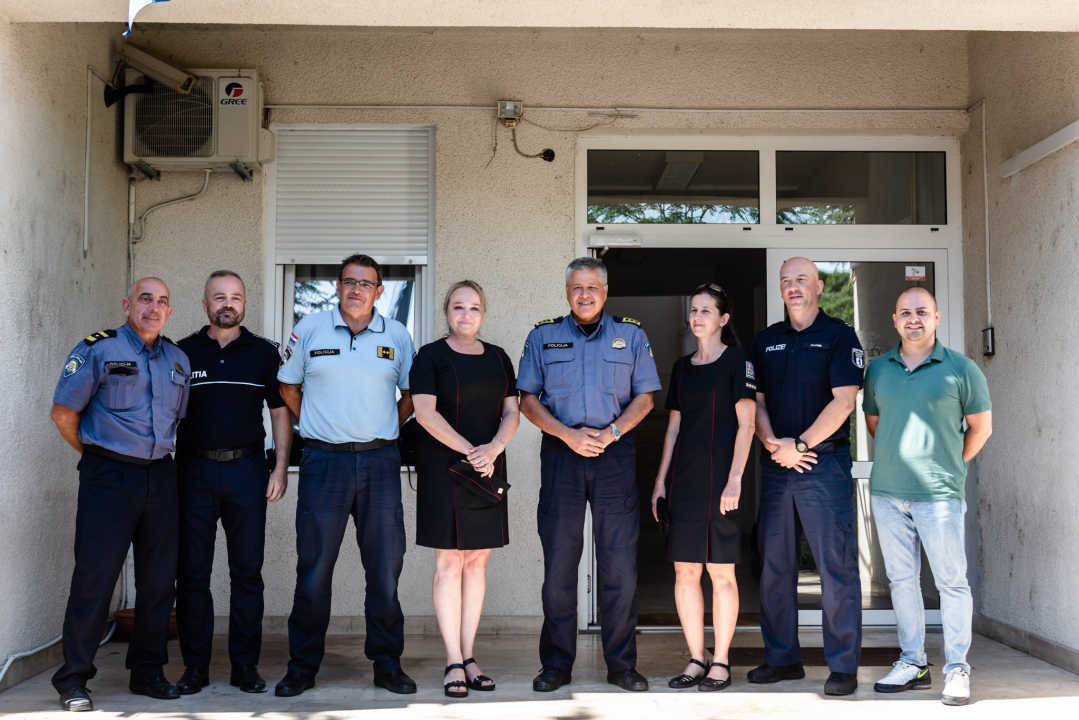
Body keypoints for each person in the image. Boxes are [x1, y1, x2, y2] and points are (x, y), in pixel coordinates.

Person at [274, 254, 417, 697]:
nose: (357, 289)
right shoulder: (310, 327)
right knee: (314, 569)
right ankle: (302, 666)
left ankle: (388, 663)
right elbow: (287, 387)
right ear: (338, 286)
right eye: (350, 282)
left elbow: (412, 394)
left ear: (379, 291)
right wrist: (316, 424)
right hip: (323, 463)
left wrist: (384, 427)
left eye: (367, 283)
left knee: (384, 569)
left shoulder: (396, 334)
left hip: (379, 463)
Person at [518, 257, 662, 693]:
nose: (585, 295)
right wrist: (568, 435)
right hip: (562, 457)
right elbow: (527, 399)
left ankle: (622, 665)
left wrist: (612, 431)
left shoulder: (631, 335)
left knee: (619, 564)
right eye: (577, 288)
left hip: (614, 456)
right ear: (567, 293)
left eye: (593, 287)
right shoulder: (543, 336)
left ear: (605, 291)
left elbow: (646, 398)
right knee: (560, 565)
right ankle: (556, 665)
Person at [49, 277, 191, 712]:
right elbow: (63, 412)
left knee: (158, 582)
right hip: (109, 477)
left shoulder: (178, 359)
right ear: (127, 304)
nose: (153, 307)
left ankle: (147, 672)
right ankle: (73, 678)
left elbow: (175, 422)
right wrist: (97, 455)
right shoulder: (98, 348)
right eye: (145, 299)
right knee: (95, 579)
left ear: (170, 311)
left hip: (161, 479)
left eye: (162, 301)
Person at [864, 287, 991, 706]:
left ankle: (957, 669)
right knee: (902, 583)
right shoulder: (878, 369)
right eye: (905, 312)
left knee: (951, 583)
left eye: (922, 311)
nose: (913, 318)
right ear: (895, 320)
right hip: (887, 493)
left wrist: (950, 466)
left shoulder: (962, 368)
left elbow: (980, 428)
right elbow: (875, 422)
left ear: (936, 317)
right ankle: (913, 662)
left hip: (939, 495)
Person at [747, 257, 865, 696]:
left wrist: (800, 445)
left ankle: (843, 666)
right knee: (774, 568)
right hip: (777, 468)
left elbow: (843, 402)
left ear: (817, 286)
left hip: (824, 466)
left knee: (835, 568)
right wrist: (776, 445)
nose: (793, 287)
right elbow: (755, 403)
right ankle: (782, 660)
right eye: (786, 282)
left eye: (801, 280)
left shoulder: (838, 335)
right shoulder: (765, 341)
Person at [173, 271, 293, 695]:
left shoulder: (263, 353)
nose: (228, 304)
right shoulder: (181, 352)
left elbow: (280, 412)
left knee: (247, 573)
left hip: (247, 473)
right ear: (205, 303)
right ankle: (195, 667)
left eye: (236, 297)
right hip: (193, 472)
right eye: (219, 297)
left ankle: (245, 665)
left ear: (245, 304)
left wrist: (279, 468)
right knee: (192, 574)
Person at [410, 280, 521, 698]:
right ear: (446, 312)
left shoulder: (498, 357)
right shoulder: (430, 356)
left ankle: (470, 657)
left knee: (477, 563)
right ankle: (453, 661)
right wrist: (471, 450)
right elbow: (424, 413)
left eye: (474, 308)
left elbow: (512, 410)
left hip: (489, 467)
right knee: (448, 565)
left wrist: (493, 447)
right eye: (458, 307)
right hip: (446, 469)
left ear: (483, 313)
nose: (466, 315)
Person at [651, 283, 756, 692]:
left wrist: (735, 480)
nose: (697, 316)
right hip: (684, 481)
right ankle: (697, 658)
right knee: (685, 571)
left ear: (723, 319)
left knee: (721, 572)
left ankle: (722, 661)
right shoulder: (680, 368)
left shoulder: (738, 363)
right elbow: (673, 430)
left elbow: (747, 426)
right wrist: (660, 482)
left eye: (706, 311)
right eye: (693, 310)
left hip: (720, 480)